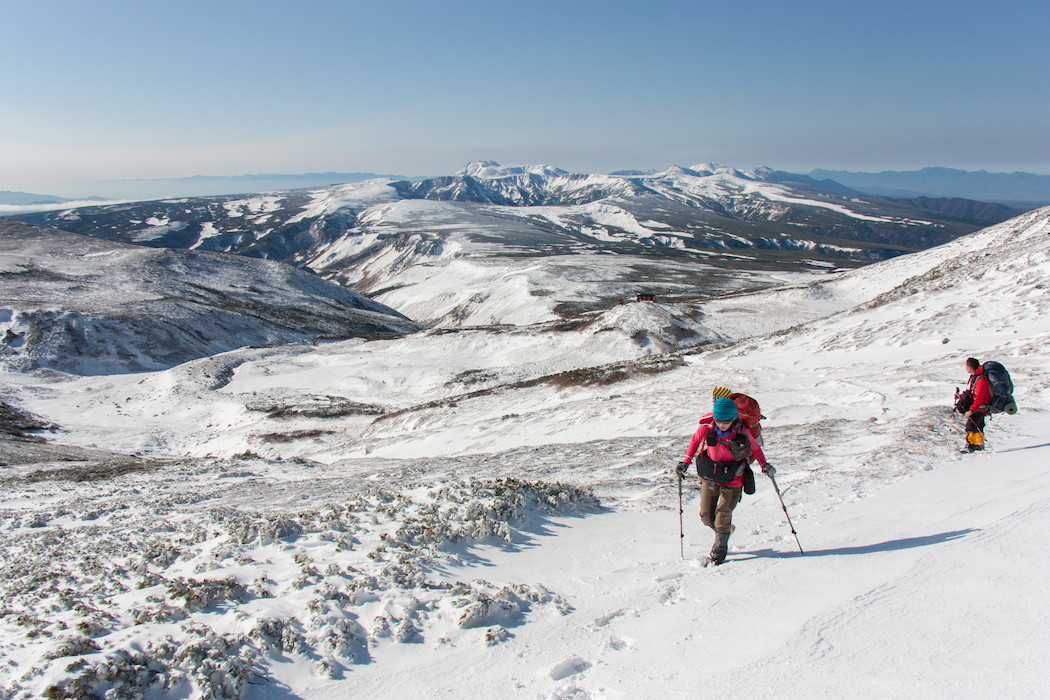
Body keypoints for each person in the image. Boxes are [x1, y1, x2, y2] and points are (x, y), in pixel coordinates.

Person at [675, 397, 774, 565]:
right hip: (711, 477)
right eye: (719, 421)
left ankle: (719, 550)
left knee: (722, 516)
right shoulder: (706, 428)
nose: (722, 424)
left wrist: (765, 465)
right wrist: (685, 462)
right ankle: (726, 530)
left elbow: (755, 449)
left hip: (733, 479)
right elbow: (694, 443)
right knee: (706, 517)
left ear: (733, 418)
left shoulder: (741, 431)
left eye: (726, 421)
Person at [960, 357, 992, 452]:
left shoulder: (981, 379)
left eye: (966, 366)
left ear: (970, 367)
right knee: (977, 425)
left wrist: (972, 409)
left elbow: (980, 397)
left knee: (972, 426)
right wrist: (962, 396)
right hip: (979, 406)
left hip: (980, 406)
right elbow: (973, 392)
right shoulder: (976, 377)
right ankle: (976, 445)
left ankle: (973, 445)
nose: (965, 368)